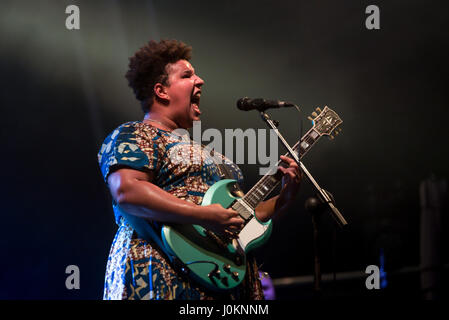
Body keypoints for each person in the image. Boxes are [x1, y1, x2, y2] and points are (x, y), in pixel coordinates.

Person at [97, 39, 302, 300]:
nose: (200, 80)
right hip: (160, 271)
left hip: (224, 279)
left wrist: (286, 196)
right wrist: (204, 215)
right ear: (161, 91)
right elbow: (128, 190)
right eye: (187, 75)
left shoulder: (215, 156)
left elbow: (243, 216)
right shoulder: (135, 134)